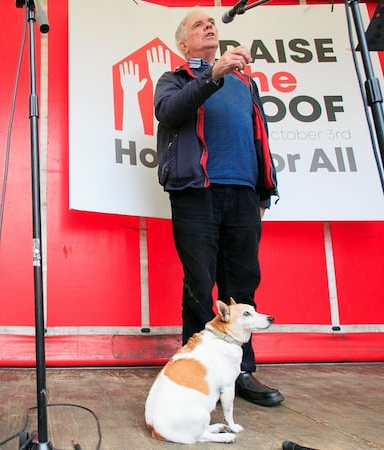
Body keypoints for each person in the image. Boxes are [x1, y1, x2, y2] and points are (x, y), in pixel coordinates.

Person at [153, 8, 282, 407]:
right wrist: (213, 74)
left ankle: (241, 372)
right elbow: (169, 113)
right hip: (196, 192)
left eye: (212, 23)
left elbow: (259, 136)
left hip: (243, 193)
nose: (209, 26)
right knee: (199, 285)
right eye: (198, 25)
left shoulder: (245, 83)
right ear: (183, 44)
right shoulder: (175, 79)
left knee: (243, 285)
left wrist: (263, 191)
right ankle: (197, 370)